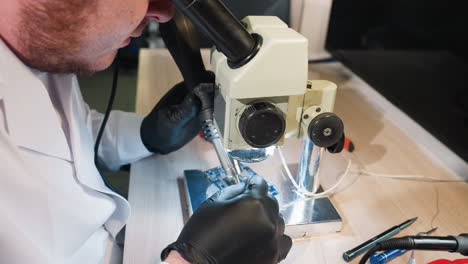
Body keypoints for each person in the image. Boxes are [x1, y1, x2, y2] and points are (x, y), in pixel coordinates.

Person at [0, 0, 292, 263]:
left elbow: (62, 133)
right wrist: (189, 262)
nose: (164, 13)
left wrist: (147, 135)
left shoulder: (45, 50)